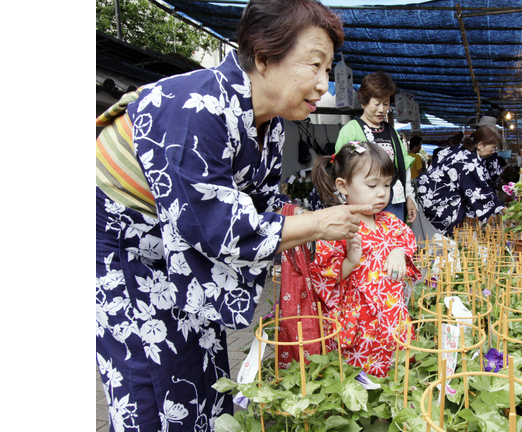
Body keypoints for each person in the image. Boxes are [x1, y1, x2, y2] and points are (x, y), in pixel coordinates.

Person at [95, 1, 373, 431]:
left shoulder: (272, 125)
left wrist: (313, 222)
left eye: (327, 70)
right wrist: (318, 224)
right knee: (152, 384)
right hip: (124, 247)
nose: (324, 86)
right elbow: (219, 226)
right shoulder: (194, 106)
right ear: (263, 57)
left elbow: (259, 207)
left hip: (176, 247)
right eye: (314, 66)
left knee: (204, 372)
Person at [309, 141, 422, 377]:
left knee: (397, 375)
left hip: (393, 315)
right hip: (359, 322)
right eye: (372, 185)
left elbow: (407, 240)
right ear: (343, 186)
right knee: (360, 377)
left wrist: (398, 251)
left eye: (387, 184)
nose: (382, 192)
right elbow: (325, 280)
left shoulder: (390, 222)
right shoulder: (335, 226)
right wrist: (350, 261)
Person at [330, 71, 418, 223]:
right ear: (363, 102)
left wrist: (410, 196)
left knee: (393, 239)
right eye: (377, 103)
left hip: (393, 198)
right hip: (363, 201)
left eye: (386, 103)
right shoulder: (350, 130)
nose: (382, 109)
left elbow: (404, 165)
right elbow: (341, 168)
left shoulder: (392, 132)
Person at [416, 125, 507, 236]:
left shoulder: (459, 148)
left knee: (431, 240)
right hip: (438, 201)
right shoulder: (469, 161)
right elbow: (478, 190)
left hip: (426, 194)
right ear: (480, 145)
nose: (493, 152)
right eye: (493, 148)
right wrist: (503, 209)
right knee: (438, 242)